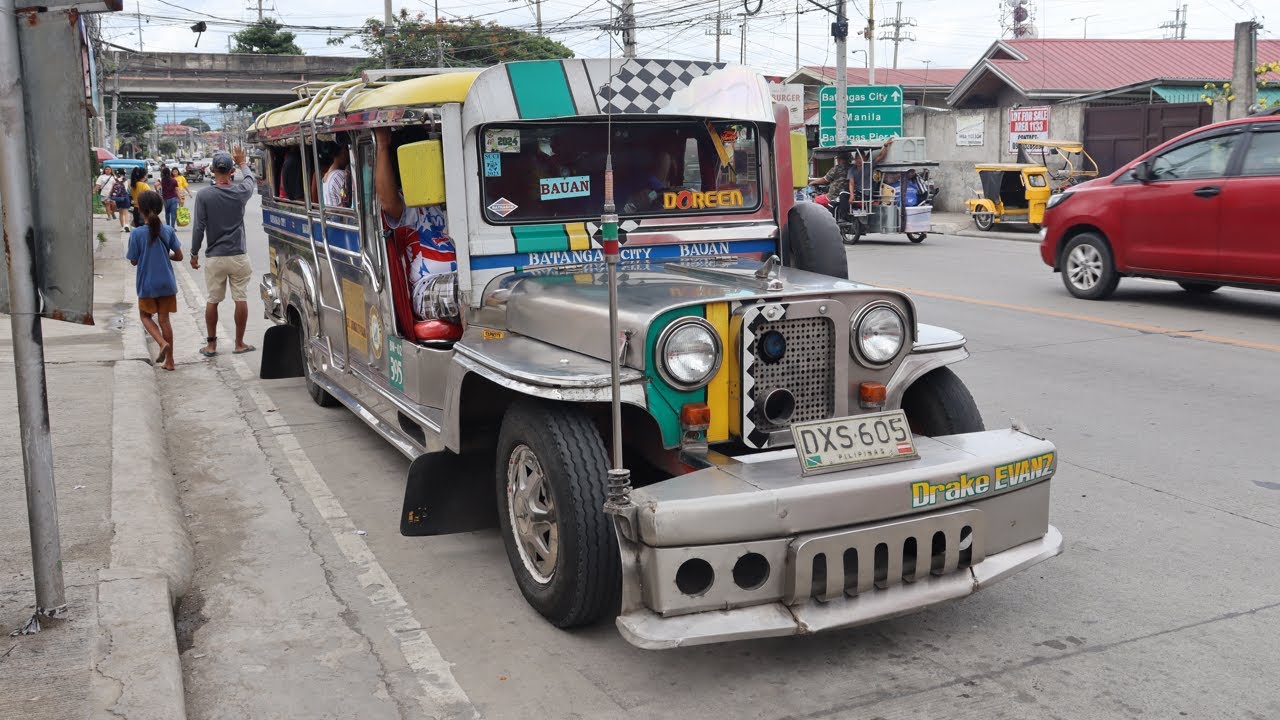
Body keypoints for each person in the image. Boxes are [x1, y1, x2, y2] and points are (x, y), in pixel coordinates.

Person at [373, 127, 458, 324]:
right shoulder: (411, 203)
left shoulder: (459, 196)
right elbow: (388, 203)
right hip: (427, 286)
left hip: (468, 277)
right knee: (466, 292)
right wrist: (382, 146)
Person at [191, 147, 257, 356]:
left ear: (211, 170)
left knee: (213, 300)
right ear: (231, 171)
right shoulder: (240, 192)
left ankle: (211, 346)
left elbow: (199, 227)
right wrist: (243, 162)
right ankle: (239, 343)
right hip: (238, 255)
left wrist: (194, 253)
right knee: (240, 298)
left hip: (215, 256)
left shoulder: (204, 195)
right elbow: (250, 179)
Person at [127, 190, 183, 372]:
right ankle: (170, 362)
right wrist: (167, 256)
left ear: (140, 210)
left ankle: (161, 342)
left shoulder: (136, 234)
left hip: (147, 284)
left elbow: (133, 260)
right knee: (164, 320)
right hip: (167, 283)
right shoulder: (168, 230)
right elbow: (179, 256)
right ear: (160, 209)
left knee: (145, 316)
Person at [323, 141, 350, 208]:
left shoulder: (326, 175)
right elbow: (346, 201)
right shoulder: (339, 175)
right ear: (343, 152)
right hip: (338, 214)